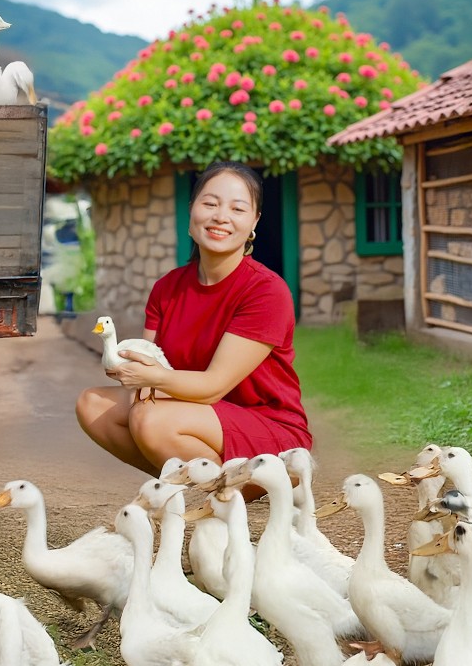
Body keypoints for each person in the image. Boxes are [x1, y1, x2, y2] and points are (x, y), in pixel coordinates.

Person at [75, 161, 311, 476]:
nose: (221, 216)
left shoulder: (266, 291)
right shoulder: (167, 288)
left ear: (254, 221)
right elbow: (150, 374)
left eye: (237, 209)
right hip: (195, 412)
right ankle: (189, 484)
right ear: (192, 211)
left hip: (266, 428)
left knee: (150, 419)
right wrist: (125, 365)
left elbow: (213, 387)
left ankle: (231, 490)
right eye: (210, 204)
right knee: (93, 405)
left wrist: (151, 378)